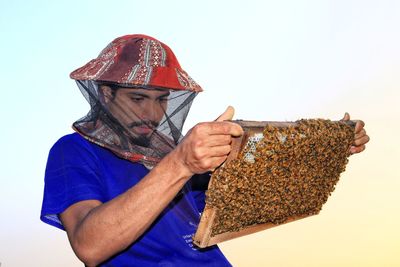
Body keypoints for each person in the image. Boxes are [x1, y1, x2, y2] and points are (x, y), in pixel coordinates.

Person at [40, 34, 370, 267]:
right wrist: (180, 163)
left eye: (161, 100)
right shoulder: (74, 152)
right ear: (106, 95)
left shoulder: (166, 153)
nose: (153, 114)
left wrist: (324, 150)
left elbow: (253, 202)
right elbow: (89, 246)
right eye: (139, 98)